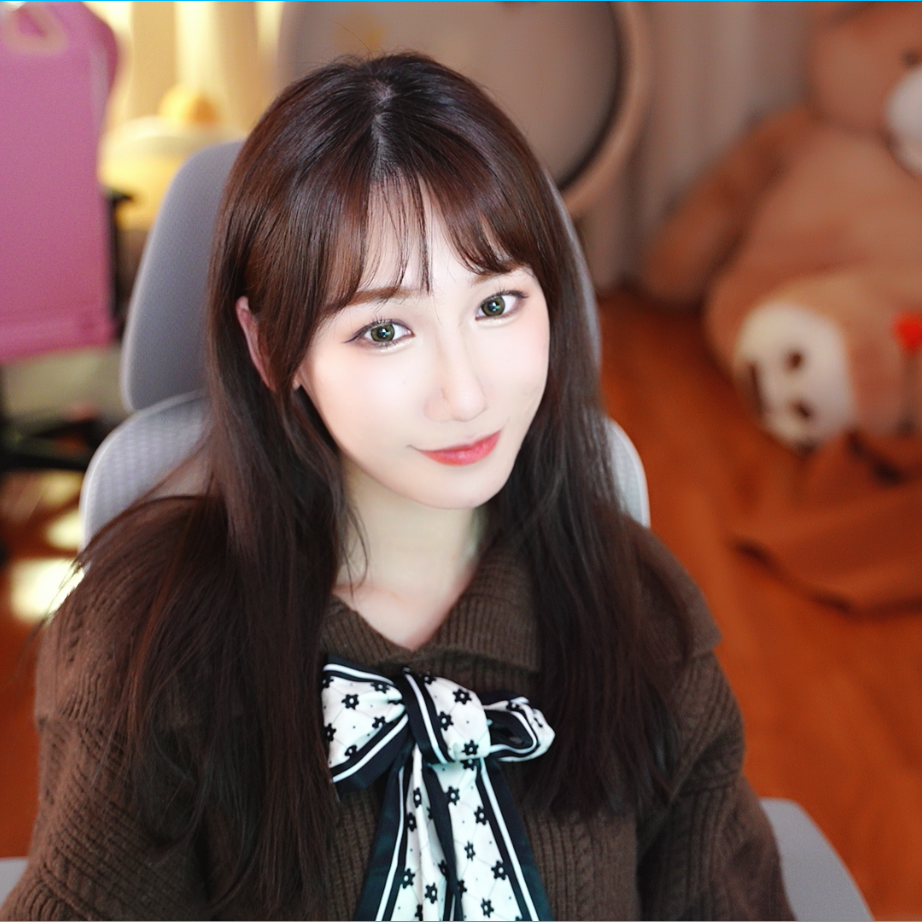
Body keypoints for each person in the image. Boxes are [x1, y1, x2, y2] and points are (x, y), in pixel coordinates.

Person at [1, 54, 792, 921]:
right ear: (271, 348)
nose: (465, 393)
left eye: (496, 304)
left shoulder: (638, 606)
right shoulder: (147, 638)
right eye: (384, 330)